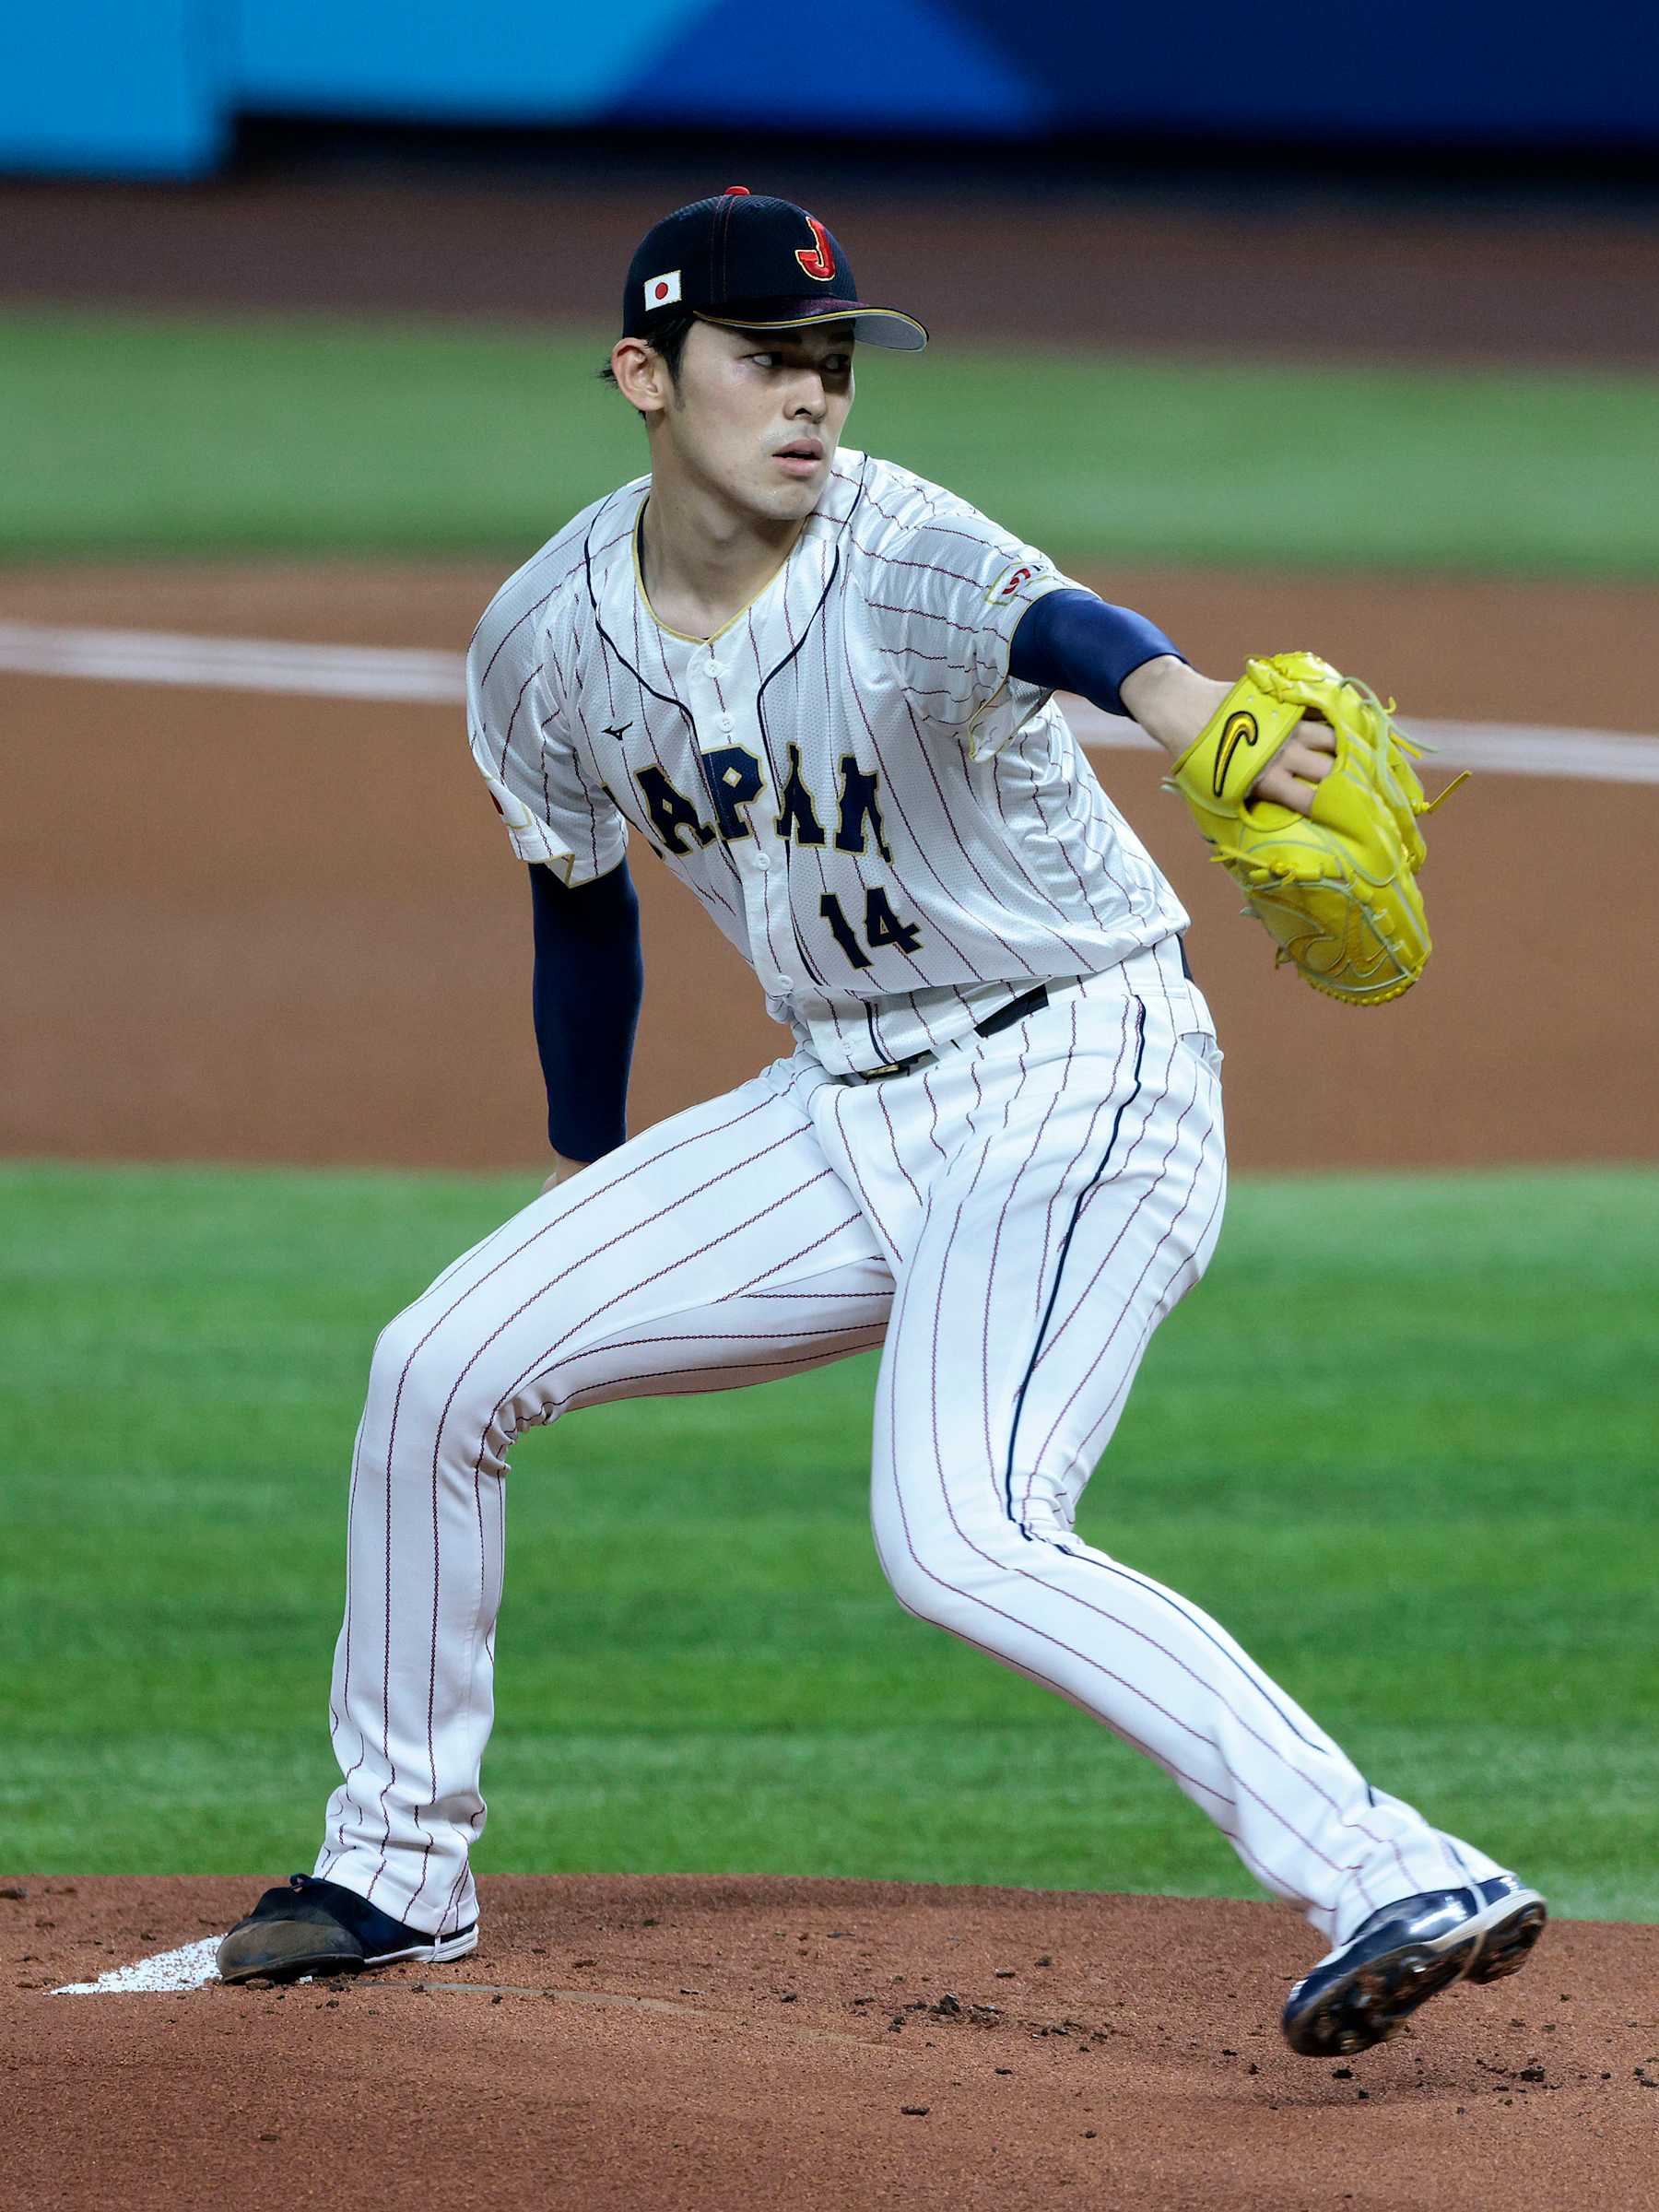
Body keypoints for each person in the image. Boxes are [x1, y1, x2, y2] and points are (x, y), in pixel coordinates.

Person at [218, 189, 1544, 2055]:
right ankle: (396, 1868)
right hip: (836, 1102)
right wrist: (597, 1183)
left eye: (832, 361)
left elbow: (1072, 630)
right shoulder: (543, 639)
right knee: (441, 1362)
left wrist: (1182, 705)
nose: (813, 397)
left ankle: (1397, 1868)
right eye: (767, 356)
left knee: (965, 1531)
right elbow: (577, 901)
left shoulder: (902, 544)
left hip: (1077, 1068)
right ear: (641, 374)